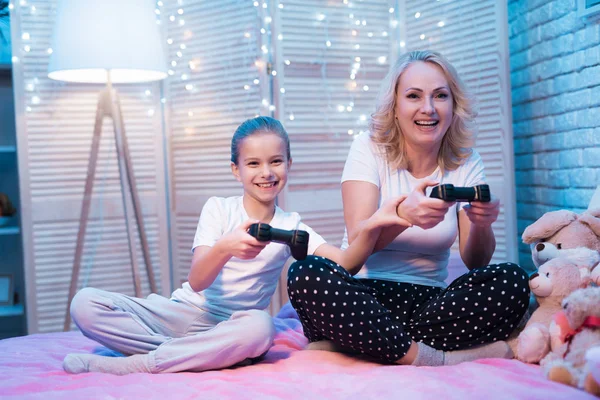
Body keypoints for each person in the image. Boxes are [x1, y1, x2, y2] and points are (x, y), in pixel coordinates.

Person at [63, 116, 410, 375]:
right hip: (182, 312)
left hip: (234, 326)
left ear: (289, 164)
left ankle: (146, 364)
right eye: (254, 163)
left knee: (262, 328)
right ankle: (193, 354)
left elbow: (346, 262)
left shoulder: (292, 226)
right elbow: (198, 280)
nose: (266, 172)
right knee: (85, 304)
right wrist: (227, 246)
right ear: (236, 169)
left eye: (275, 161)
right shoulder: (218, 208)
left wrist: (382, 221)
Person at [287, 50, 530, 367]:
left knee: (512, 279)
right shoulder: (368, 147)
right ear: (396, 107)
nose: (428, 108)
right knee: (306, 272)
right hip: (361, 295)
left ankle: (360, 343)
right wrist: (402, 218)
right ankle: (428, 356)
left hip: (428, 301)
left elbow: (477, 261)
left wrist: (482, 223)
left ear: (453, 105)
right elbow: (357, 248)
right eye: (413, 96)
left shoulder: (466, 160)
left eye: (440, 96)